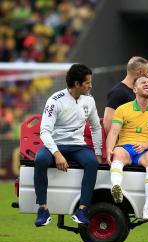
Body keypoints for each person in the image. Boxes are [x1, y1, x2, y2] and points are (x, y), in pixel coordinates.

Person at [34, 64, 102, 227]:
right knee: (40, 160)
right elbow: (44, 131)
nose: (90, 86)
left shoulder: (89, 100)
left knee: (92, 163)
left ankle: (83, 210)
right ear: (77, 84)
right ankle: (43, 209)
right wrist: (57, 154)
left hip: (77, 146)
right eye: (87, 83)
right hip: (55, 145)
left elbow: (95, 126)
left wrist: (98, 152)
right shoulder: (54, 101)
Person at [106, 76, 148, 222]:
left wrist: (146, 145)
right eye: (143, 83)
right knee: (118, 154)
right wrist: (109, 150)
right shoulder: (123, 109)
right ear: (134, 89)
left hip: (146, 150)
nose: (147, 84)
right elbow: (113, 133)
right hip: (126, 148)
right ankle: (116, 187)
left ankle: (147, 208)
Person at [103, 56, 148, 134]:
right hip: (127, 142)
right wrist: (119, 143)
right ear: (139, 72)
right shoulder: (117, 92)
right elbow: (108, 123)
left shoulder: (142, 91)